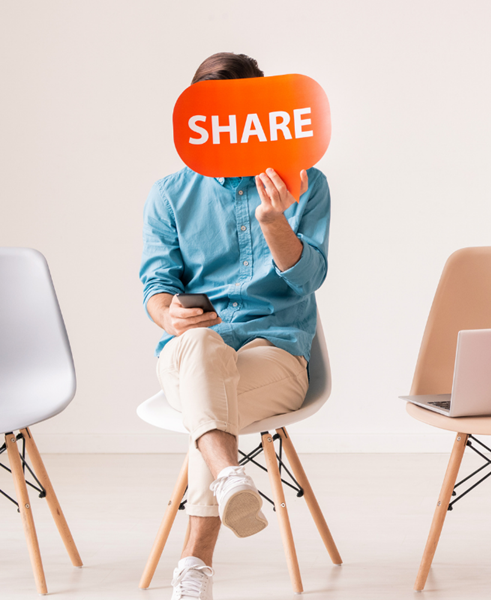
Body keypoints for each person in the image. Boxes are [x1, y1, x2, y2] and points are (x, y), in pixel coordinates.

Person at [139, 52, 331, 600]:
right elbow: (155, 287)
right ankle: (229, 480)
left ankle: (196, 560)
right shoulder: (170, 194)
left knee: (210, 407)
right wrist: (169, 312)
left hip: (276, 353)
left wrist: (275, 224)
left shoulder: (304, 183)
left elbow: (307, 280)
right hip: (191, 353)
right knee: (200, 345)